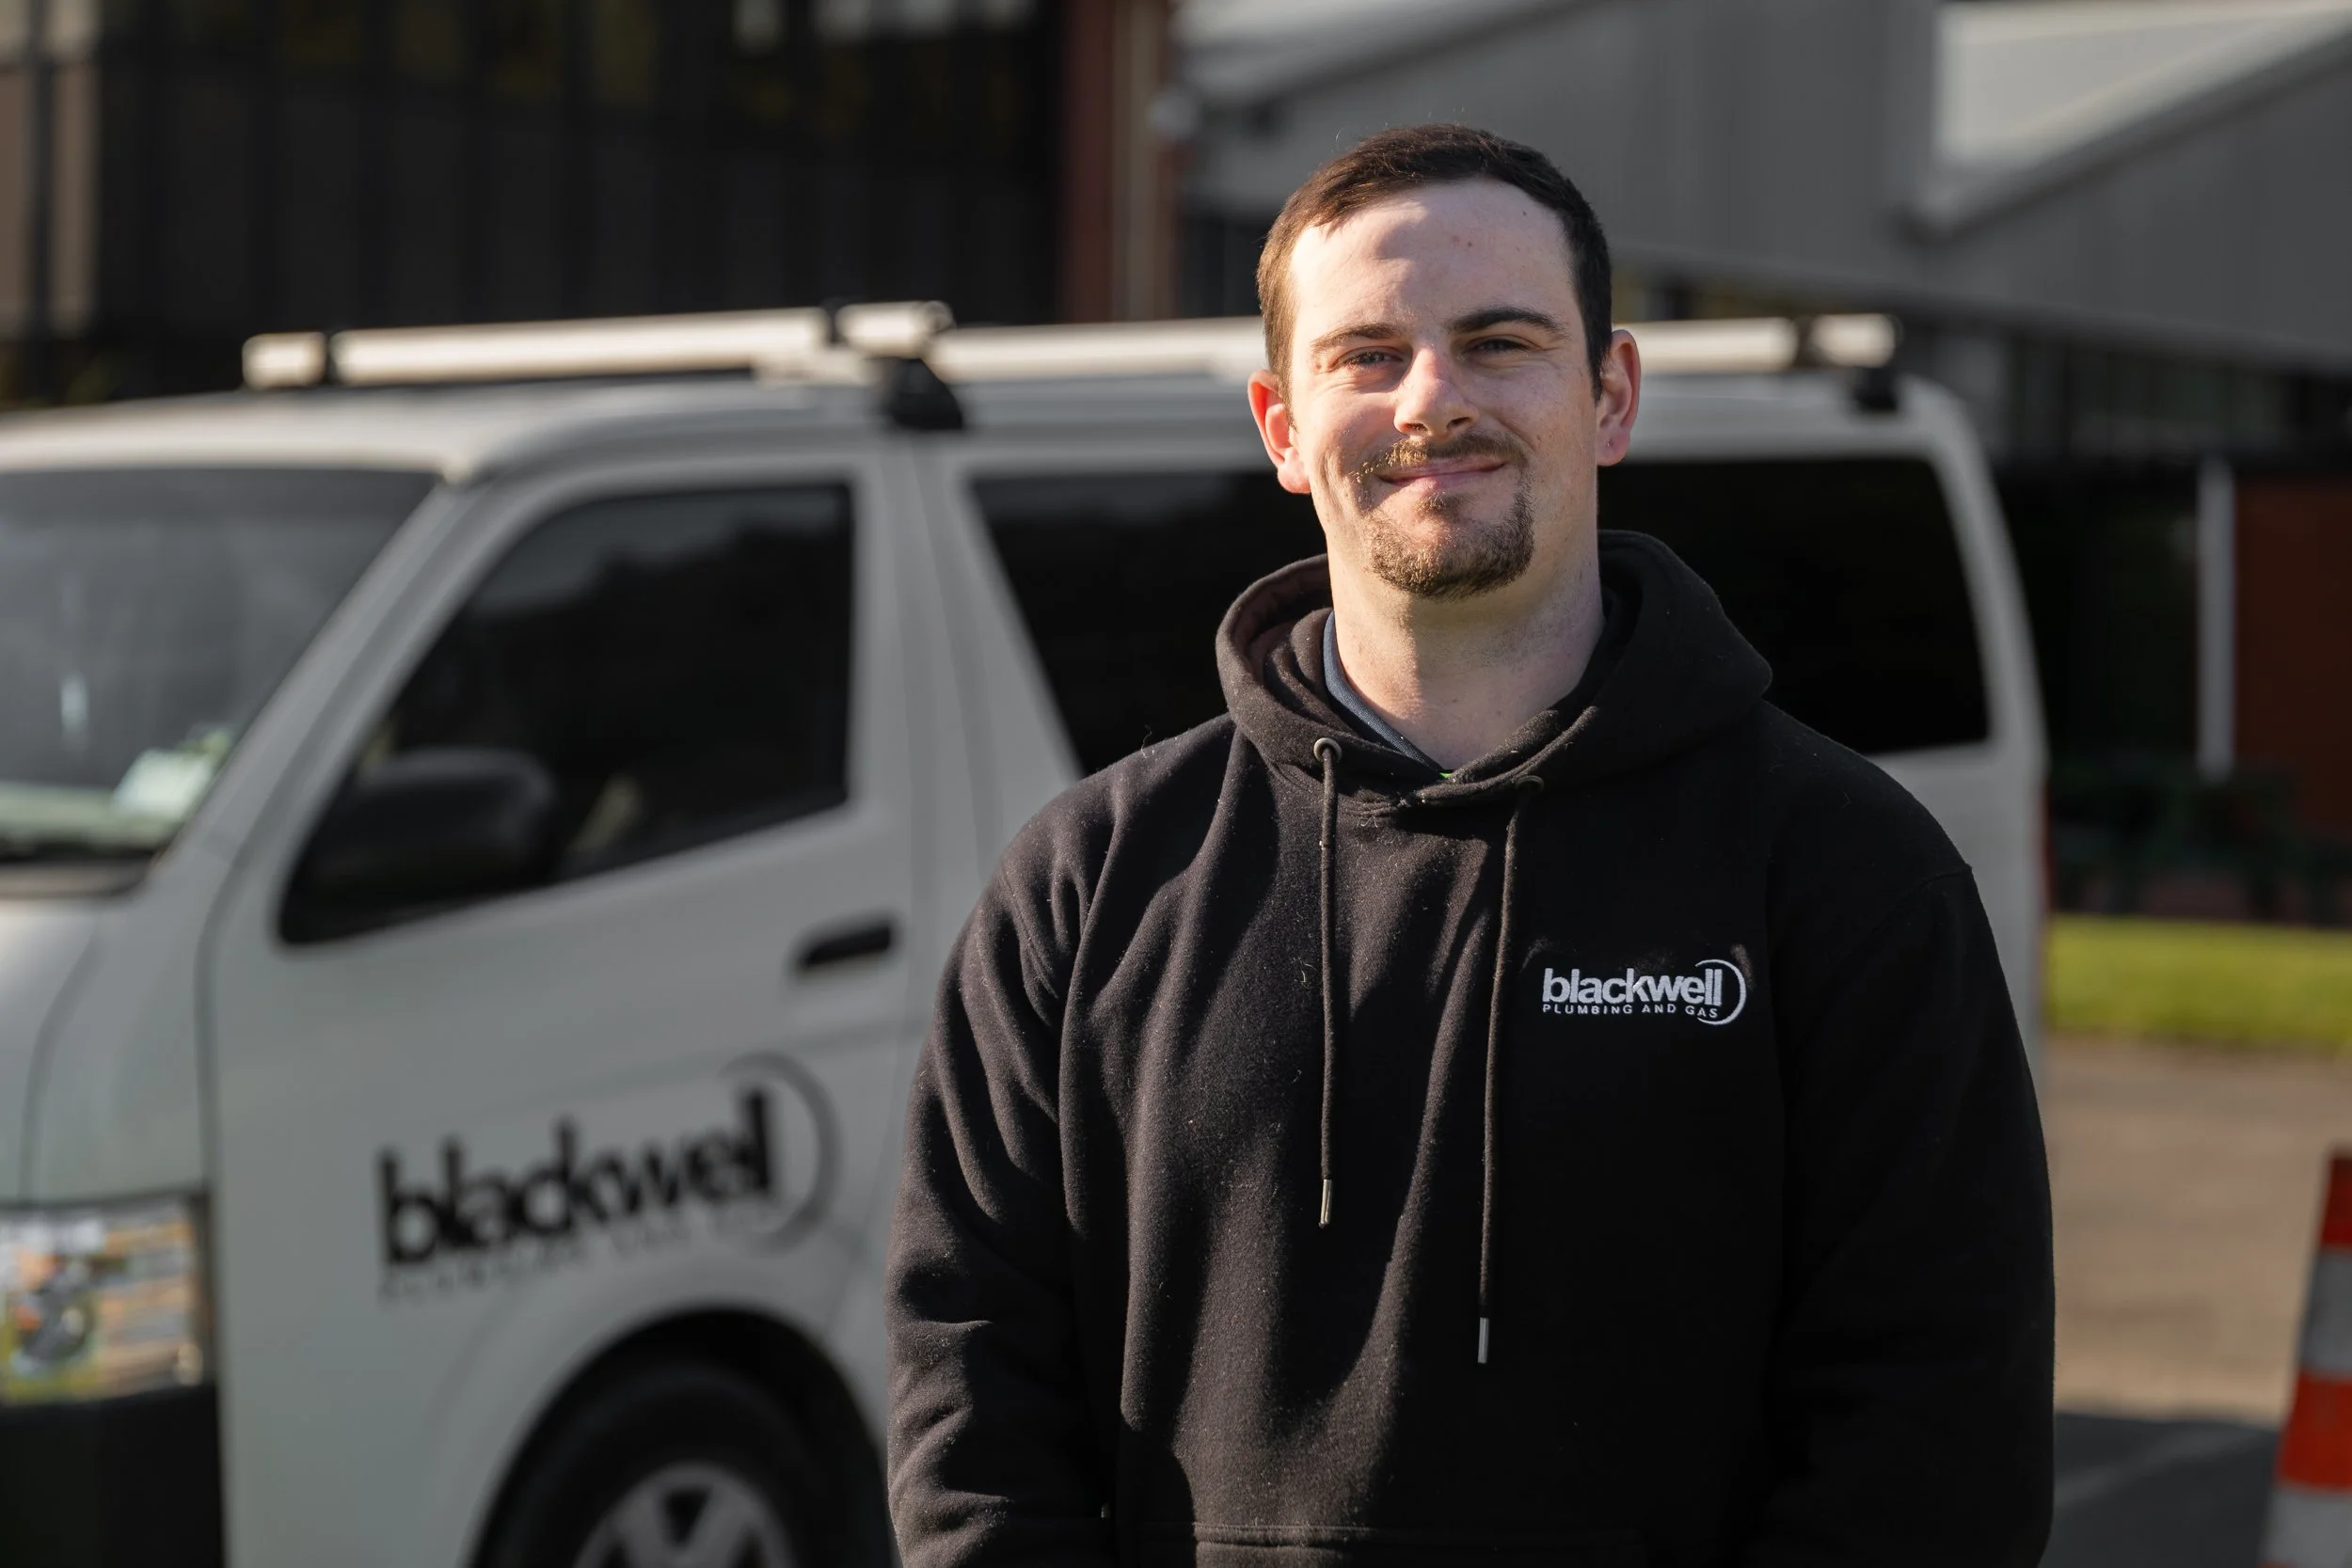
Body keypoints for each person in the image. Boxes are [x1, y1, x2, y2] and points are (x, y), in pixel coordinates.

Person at [885, 124, 2053, 1567]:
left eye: (1500, 341)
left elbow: (1937, 1432)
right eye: (1366, 353)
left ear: (1611, 395)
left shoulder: (1843, 870)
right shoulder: (1090, 879)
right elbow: (972, 1383)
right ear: (1280, 426)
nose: (1432, 397)